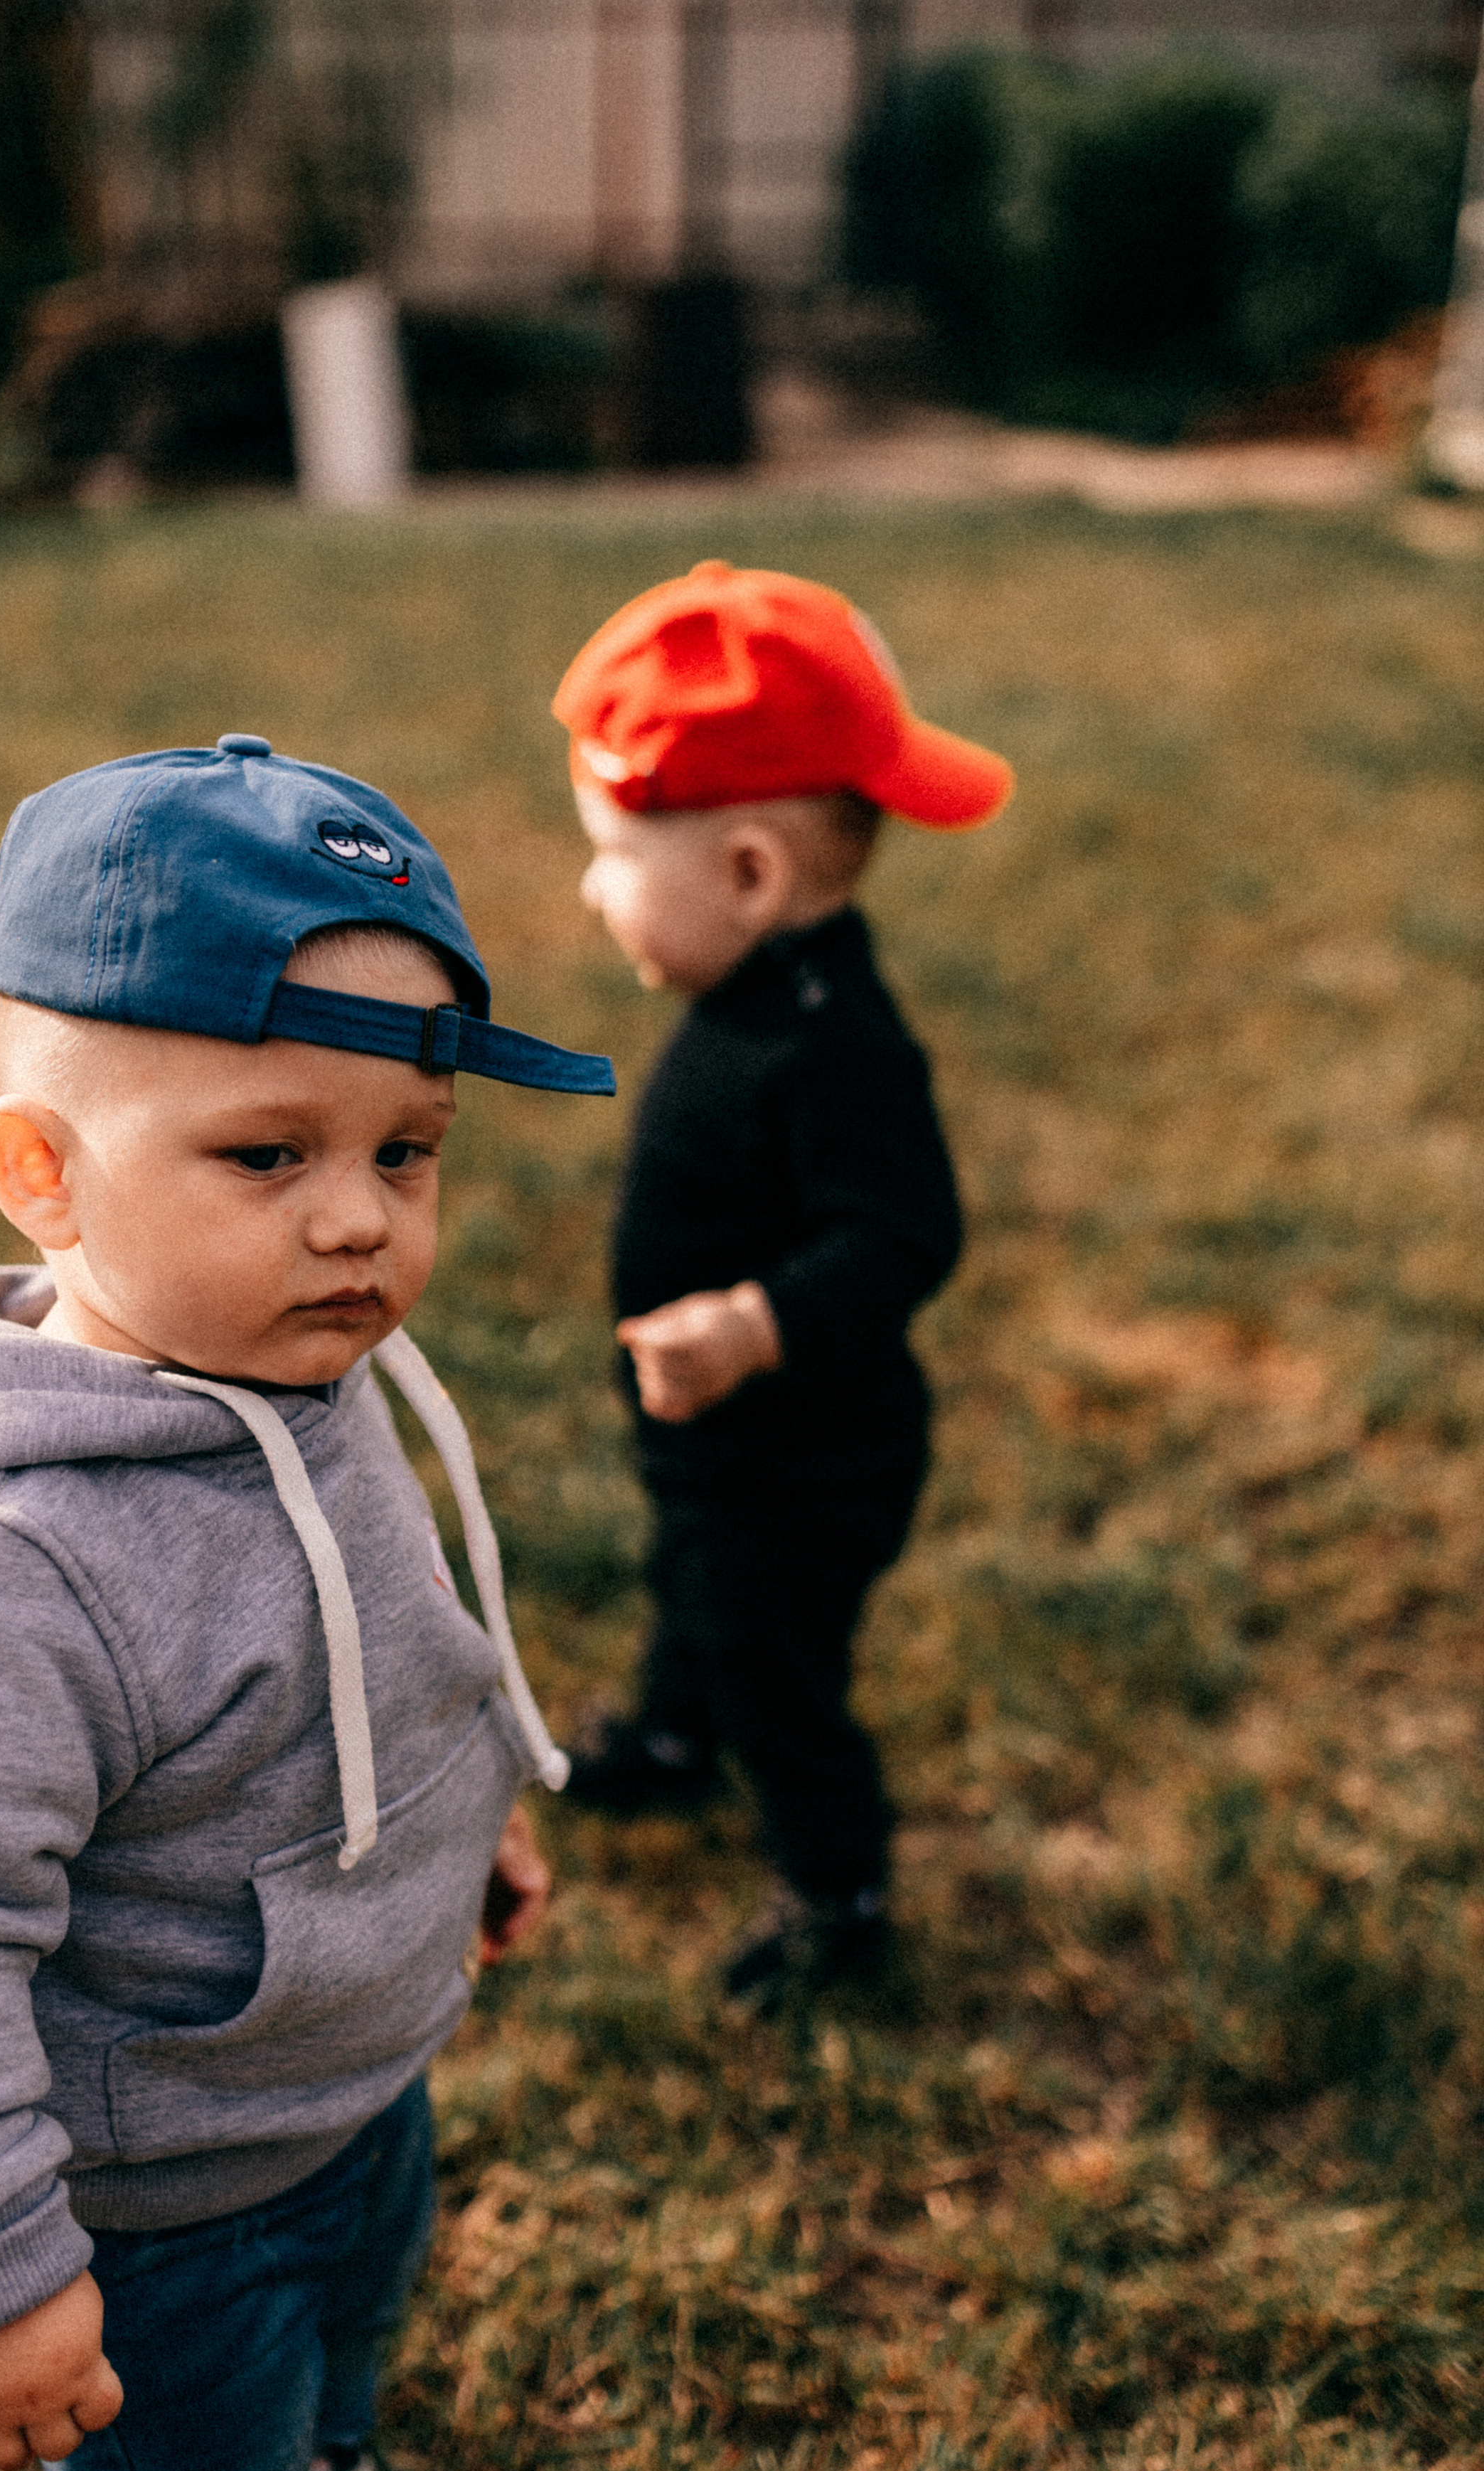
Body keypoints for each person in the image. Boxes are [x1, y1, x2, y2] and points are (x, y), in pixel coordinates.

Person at [0, 734, 616, 2471]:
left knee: (342, 2358)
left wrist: (452, 1820)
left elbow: (384, 1650)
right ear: (42, 1171)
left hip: (345, 2086)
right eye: (267, 1154)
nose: (360, 1227)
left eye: (405, 1153)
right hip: (150, 2195)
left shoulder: (305, 1374)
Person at [550, 562, 1013, 2006]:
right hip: (723, 1448)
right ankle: (672, 1741)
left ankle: (839, 1894)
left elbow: (902, 1238)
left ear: (750, 877)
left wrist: (755, 1326)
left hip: (811, 1464)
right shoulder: (748, 997)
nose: (585, 886)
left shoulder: (836, 1047)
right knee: (691, 1587)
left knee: (776, 1672)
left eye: (613, 856)